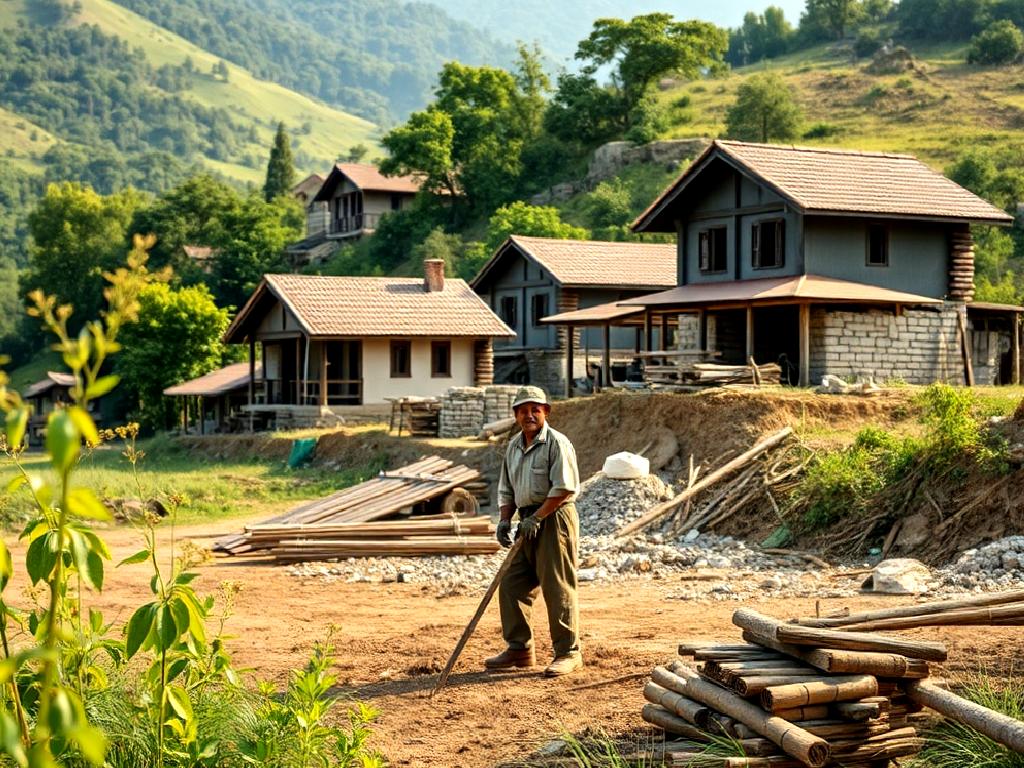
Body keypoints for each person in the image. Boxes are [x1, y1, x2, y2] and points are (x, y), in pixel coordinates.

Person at [486, 385, 583, 677]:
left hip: (554, 519)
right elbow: (507, 489)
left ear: (545, 412)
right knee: (512, 583)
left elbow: (564, 488)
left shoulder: (557, 443)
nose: (529, 415)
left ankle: (568, 652)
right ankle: (520, 649)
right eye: (523, 411)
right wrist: (505, 521)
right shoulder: (514, 447)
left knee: (557, 586)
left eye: (535, 410)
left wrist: (538, 517)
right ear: (515, 415)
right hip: (527, 520)